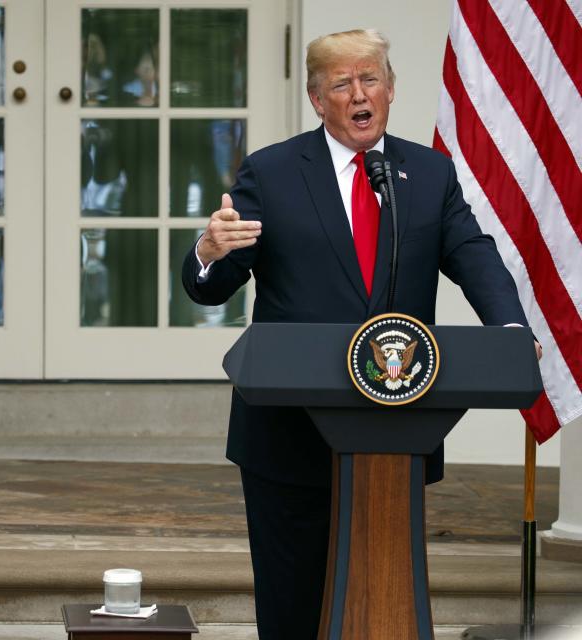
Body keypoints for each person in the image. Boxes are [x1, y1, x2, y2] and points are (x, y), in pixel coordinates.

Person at [181, 29, 538, 639]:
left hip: (394, 433)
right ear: (318, 100)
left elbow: (473, 254)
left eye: (369, 78)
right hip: (288, 435)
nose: (358, 94)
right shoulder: (271, 173)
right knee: (293, 608)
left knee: (385, 605)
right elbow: (212, 285)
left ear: (391, 89)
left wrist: (509, 329)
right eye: (341, 84)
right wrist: (208, 252)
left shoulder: (428, 174)